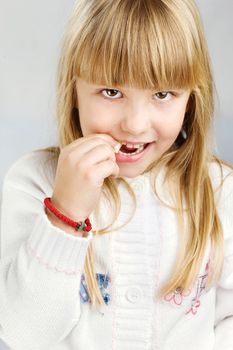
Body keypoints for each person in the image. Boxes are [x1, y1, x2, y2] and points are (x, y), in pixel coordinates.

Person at [0, 0, 233, 349]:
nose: (135, 124)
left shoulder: (218, 192)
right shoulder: (34, 182)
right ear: (74, 90)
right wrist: (65, 216)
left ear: (190, 101)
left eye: (162, 94)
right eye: (112, 92)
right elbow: (23, 334)